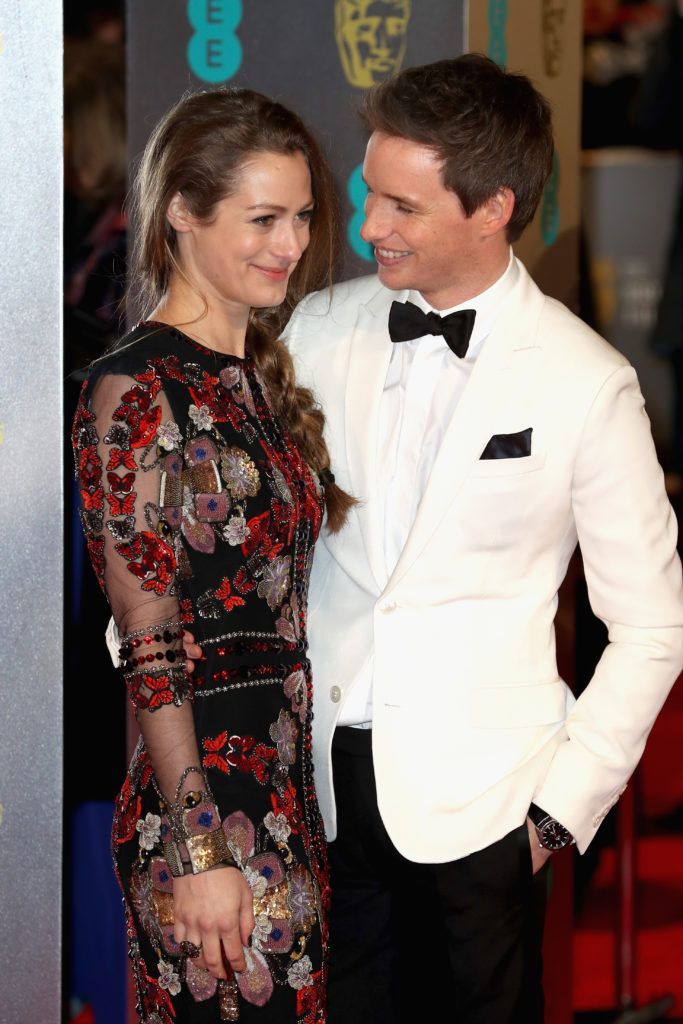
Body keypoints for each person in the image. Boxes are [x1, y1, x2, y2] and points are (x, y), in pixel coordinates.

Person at [280, 54, 683, 1023]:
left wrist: (559, 805)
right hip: (329, 792)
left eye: (401, 207)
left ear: (491, 207)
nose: (366, 225)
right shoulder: (317, 327)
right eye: (367, 195)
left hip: (491, 804)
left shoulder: (583, 380)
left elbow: (649, 624)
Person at [73, 86, 353, 1024]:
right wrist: (200, 856)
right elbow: (147, 641)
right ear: (182, 216)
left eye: (303, 216)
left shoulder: (255, 378)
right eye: (262, 218)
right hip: (207, 816)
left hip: (282, 794)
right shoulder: (137, 391)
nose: (291, 243)